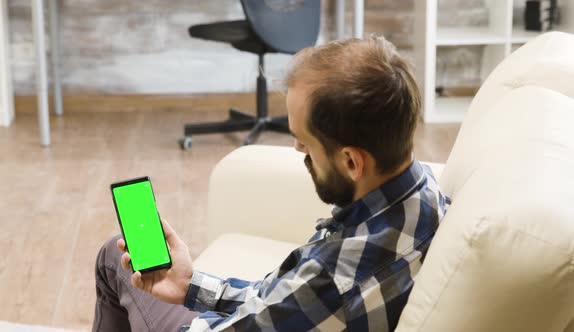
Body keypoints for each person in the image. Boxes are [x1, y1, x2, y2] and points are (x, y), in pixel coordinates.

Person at [93, 35, 451, 332]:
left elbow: (293, 303)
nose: (297, 149)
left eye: (305, 143)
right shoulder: (425, 194)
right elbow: (281, 304)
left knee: (114, 256)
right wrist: (189, 286)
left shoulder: (335, 279)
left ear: (351, 162)